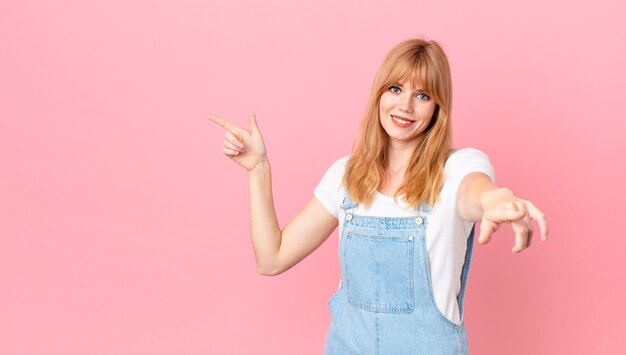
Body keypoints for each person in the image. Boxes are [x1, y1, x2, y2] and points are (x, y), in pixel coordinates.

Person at [208, 38, 549, 355]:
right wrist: (258, 170)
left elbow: (476, 191)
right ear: (379, 95)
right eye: (396, 89)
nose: (405, 106)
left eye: (423, 95)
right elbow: (272, 259)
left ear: (437, 108)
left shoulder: (457, 169)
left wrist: (495, 200)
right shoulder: (345, 176)